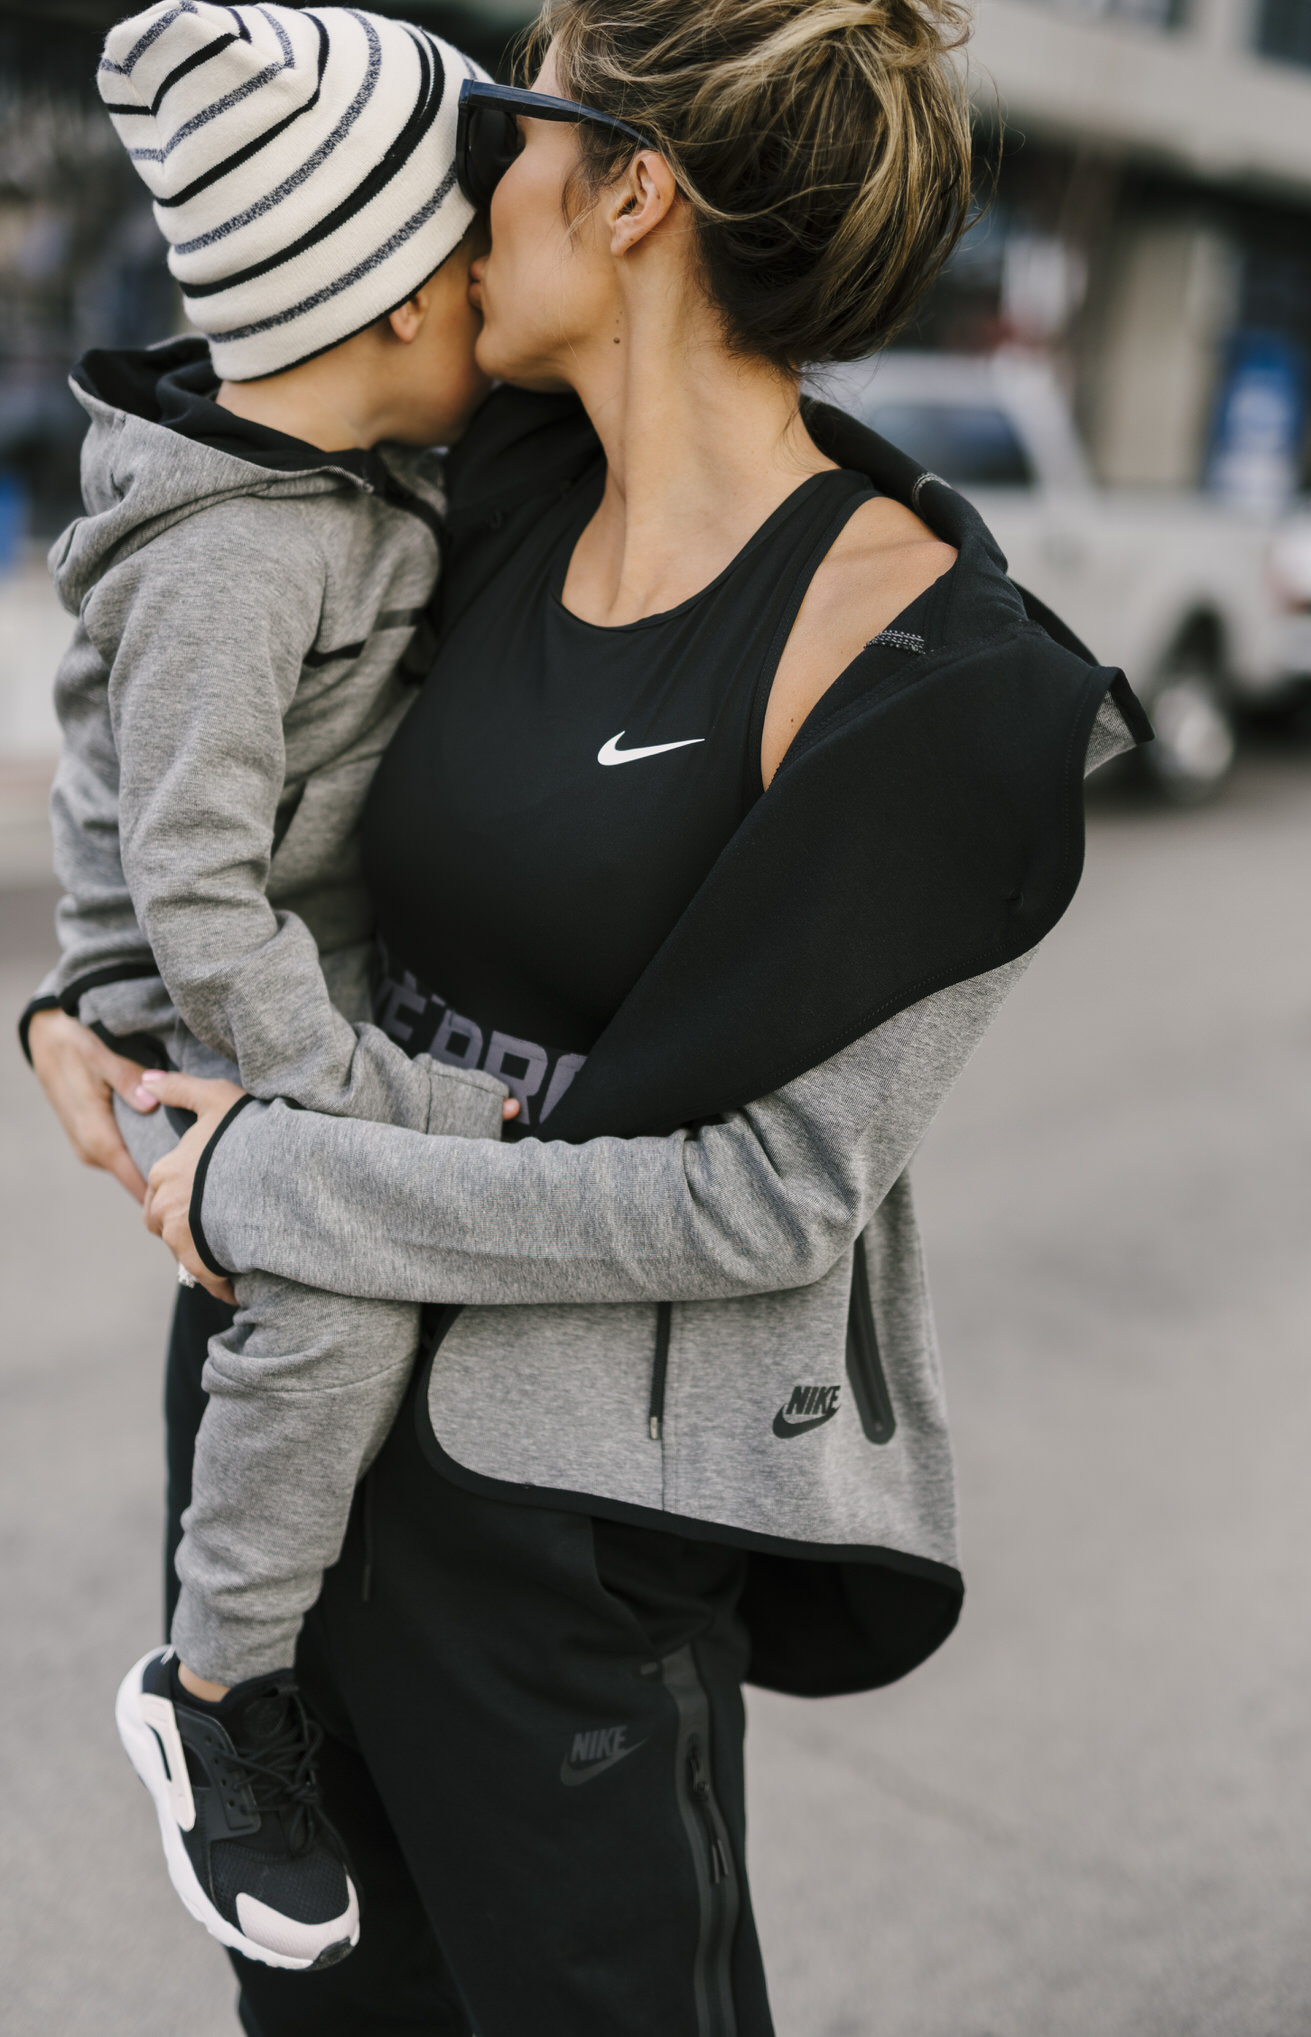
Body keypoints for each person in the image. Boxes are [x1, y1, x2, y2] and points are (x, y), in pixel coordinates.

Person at [29, 0, 1150, 2030]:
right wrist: (77, 995)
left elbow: (766, 1201)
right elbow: (165, 655)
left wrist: (299, 1176)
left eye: (504, 127)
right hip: (278, 1444)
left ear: (631, 191)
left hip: (562, 1540)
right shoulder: (472, 473)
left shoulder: (945, 685)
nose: (462, 173)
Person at [18, 1, 518, 1975]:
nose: (496, 288)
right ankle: (219, 1691)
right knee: (338, 1290)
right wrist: (356, 1104)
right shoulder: (241, 552)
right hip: (195, 1011)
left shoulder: (342, 473)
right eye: (474, 259)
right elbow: (196, 893)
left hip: (272, 982)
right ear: (398, 308)